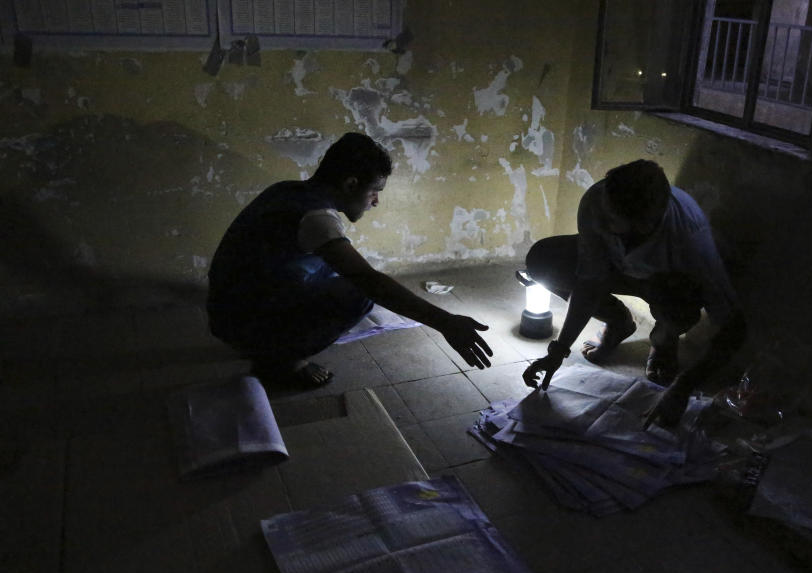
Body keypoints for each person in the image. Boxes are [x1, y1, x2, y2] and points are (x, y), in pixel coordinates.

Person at [206, 132, 493, 386]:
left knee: (335, 271)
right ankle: (282, 362)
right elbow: (370, 281)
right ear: (350, 183)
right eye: (375, 191)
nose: (376, 201)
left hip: (225, 309)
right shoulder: (317, 218)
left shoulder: (287, 189)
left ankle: (266, 342)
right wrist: (445, 322)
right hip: (241, 324)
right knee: (358, 293)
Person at [521, 159, 745, 427]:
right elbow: (589, 280)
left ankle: (664, 342)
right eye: (604, 212)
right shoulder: (599, 200)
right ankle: (618, 322)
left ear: (644, 224)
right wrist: (558, 351)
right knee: (544, 261)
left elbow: (734, 328)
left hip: (664, 281)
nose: (600, 221)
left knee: (680, 307)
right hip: (616, 266)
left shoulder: (690, 239)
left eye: (611, 220)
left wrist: (683, 386)